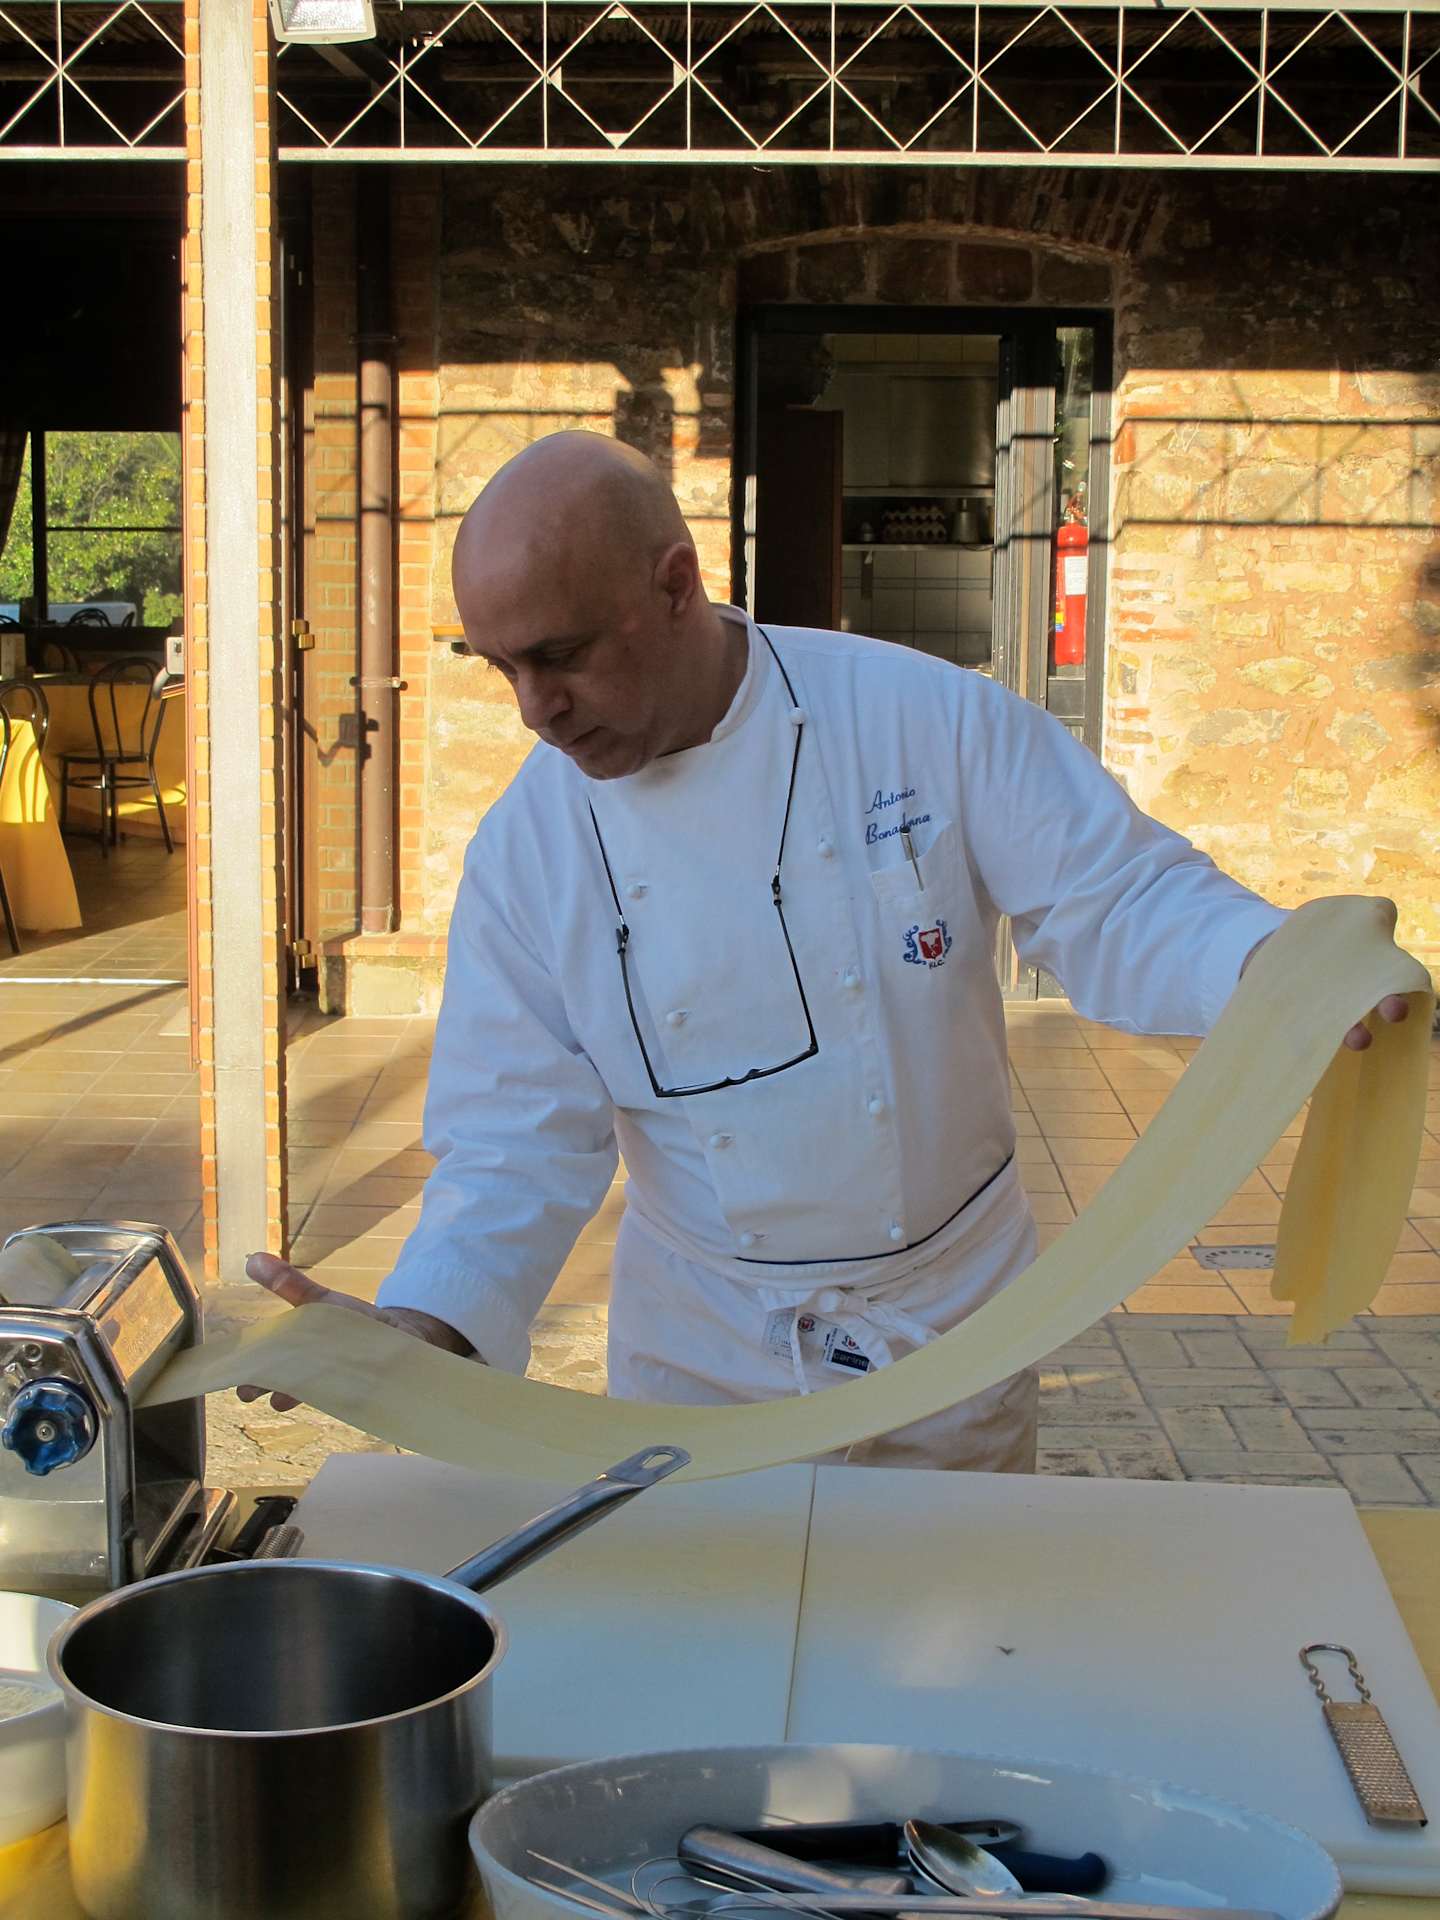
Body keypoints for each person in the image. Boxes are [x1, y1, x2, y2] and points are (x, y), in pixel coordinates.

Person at [242, 431, 1410, 1471]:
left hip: (950, 1329)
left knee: (951, 1647)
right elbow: (512, 1145)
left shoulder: (923, 721)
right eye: (500, 669)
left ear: (677, 585)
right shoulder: (528, 851)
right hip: (703, 1354)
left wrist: (1269, 970)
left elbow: (1117, 897)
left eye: (561, 655)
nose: (534, 710)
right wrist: (428, 1329)